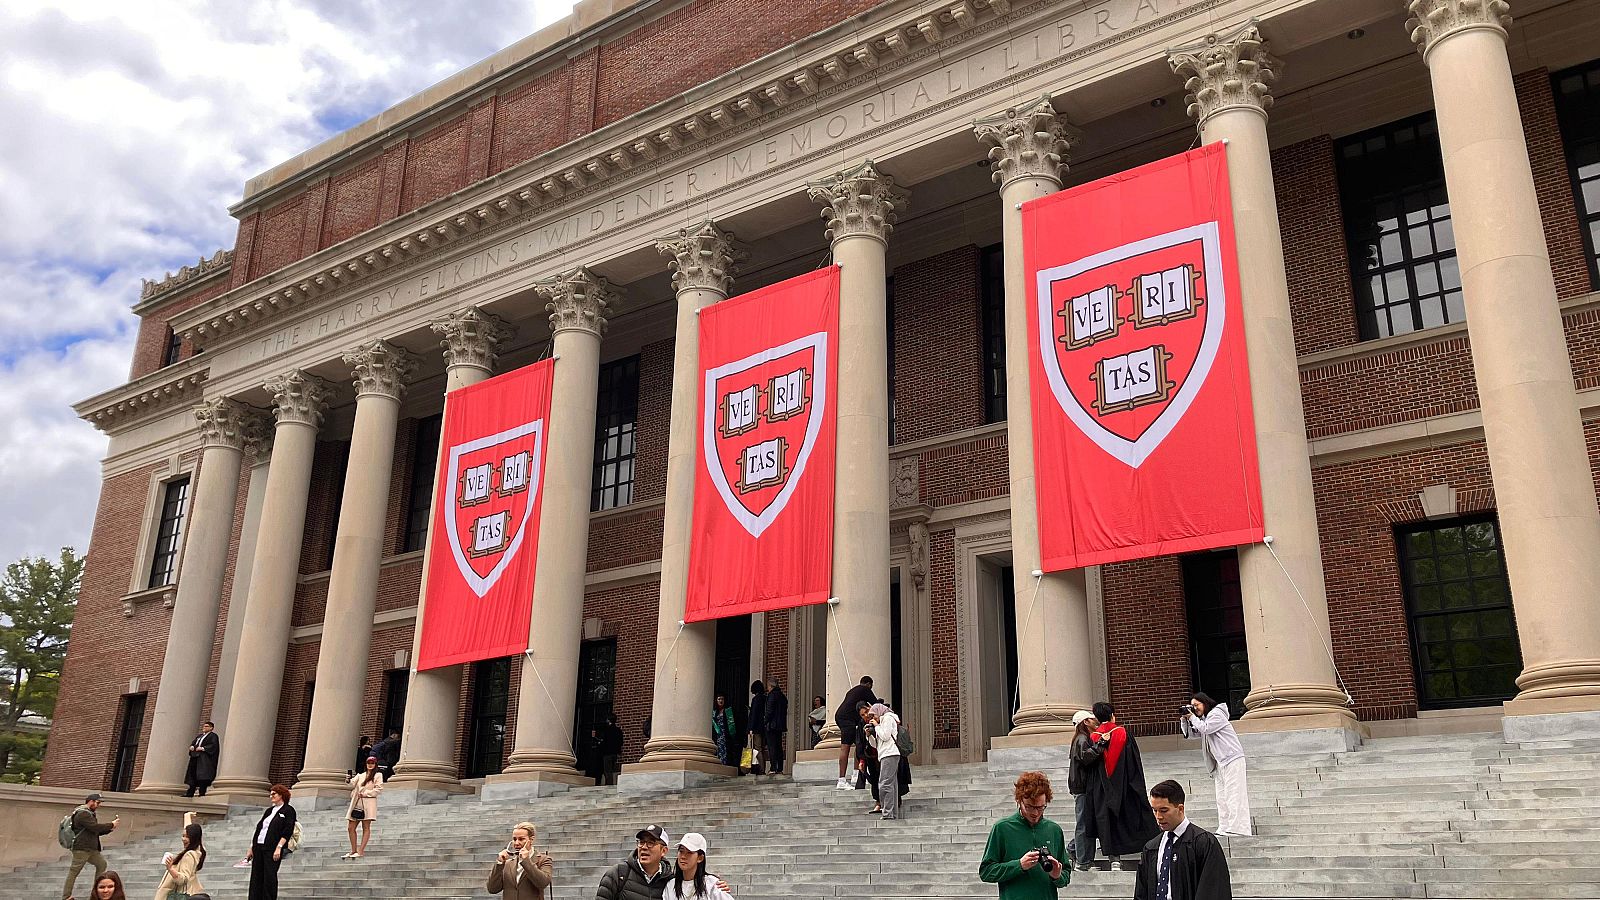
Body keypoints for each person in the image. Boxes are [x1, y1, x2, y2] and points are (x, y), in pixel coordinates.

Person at [1084, 701, 1159, 870]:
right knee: (1133, 816)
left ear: (1097, 717)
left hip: (1102, 790)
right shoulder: (1123, 733)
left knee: (1107, 821)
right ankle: (1146, 854)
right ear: (1112, 715)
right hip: (1126, 785)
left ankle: (1114, 859)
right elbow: (1134, 764)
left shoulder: (1093, 738)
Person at [1134, 780, 1233, 900]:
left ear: (1180, 808)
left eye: (1164, 810)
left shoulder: (1203, 843)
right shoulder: (1151, 847)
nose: (1158, 817)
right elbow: (1142, 892)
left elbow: (1213, 889)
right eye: (1155, 810)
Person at [978, 770, 1070, 899]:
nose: (1035, 813)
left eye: (1041, 807)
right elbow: (986, 872)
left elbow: (1066, 874)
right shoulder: (1002, 828)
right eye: (1030, 807)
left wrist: (1057, 876)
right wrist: (1019, 865)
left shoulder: (1054, 830)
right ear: (1019, 800)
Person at [1180, 692, 1252, 836]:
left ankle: (1239, 828)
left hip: (1232, 758)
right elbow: (1193, 734)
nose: (1195, 709)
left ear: (1205, 703)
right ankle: (1225, 827)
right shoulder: (1205, 719)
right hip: (1219, 762)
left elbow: (1206, 728)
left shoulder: (1217, 714)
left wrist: (1192, 717)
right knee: (1222, 797)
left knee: (1234, 794)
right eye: (1192, 706)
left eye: (1196, 705)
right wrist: (1184, 719)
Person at [596, 825, 732, 900]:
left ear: (663, 851)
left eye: (650, 843)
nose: (644, 847)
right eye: (641, 842)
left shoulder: (667, 880)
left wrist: (716, 884)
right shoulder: (618, 874)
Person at [63, 792, 118, 900]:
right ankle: (66, 896)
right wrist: (111, 824)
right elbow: (94, 827)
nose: (98, 805)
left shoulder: (89, 813)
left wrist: (110, 829)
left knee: (102, 864)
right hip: (82, 848)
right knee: (74, 872)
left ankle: (97, 893)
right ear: (91, 801)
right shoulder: (83, 813)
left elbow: (94, 831)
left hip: (91, 848)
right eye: (97, 802)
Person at [1067, 710, 1104, 870]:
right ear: (1085, 722)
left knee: (1087, 823)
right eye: (1092, 719)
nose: (1096, 721)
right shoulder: (1082, 739)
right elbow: (1086, 757)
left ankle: (1077, 853)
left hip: (1082, 787)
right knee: (1083, 823)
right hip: (1082, 788)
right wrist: (1101, 744)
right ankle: (1082, 862)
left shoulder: (1081, 739)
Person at [246, 783, 296, 900]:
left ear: (281, 795)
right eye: (270, 794)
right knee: (256, 876)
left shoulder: (288, 810)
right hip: (259, 846)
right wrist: (251, 847)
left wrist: (279, 847)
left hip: (272, 848)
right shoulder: (269, 811)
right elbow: (260, 828)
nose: (271, 796)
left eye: (274, 794)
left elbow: (287, 831)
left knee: (269, 876)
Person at [833, 675, 879, 789]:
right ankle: (841, 780)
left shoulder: (852, 691)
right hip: (847, 719)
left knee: (859, 744)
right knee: (845, 747)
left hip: (842, 716)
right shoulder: (865, 689)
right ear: (869, 684)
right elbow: (876, 705)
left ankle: (856, 774)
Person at [487, 820, 553, 900]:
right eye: (514, 839)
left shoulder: (544, 860)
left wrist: (526, 861)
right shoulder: (507, 864)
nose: (517, 843)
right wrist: (499, 864)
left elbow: (542, 883)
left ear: (531, 840)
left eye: (521, 839)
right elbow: (492, 889)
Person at [662, 833, 735, 900]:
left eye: (689, 852)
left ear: (700, 858)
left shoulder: (712, 885)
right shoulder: (670, 885)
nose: (683, 856)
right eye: (681, 851)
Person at [864, 702, 904, 820]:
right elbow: (876, 745)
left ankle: (887, 813)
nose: (873, 718)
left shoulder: (887, 718)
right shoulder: (882, 722)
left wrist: (876, 726)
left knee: (884, 784)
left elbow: (886, 736)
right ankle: (892, 813)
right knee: (891, 785)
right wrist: (869, 735)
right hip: (886, 754)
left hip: (890, 753)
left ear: (879, 711)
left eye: (874, 715)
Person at [344, 755, 384, 858]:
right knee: (350, 827)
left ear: (375, 764)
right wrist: (348, 780)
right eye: (368, 763)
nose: (370, 765)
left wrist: (366, 793)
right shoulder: (360, 775)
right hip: (357, 803)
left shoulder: (378, 775)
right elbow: (351, 784)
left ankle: (360, 850)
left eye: (372, 763)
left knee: (365, 826)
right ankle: (353, 850)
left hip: (368, 803)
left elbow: (378, 789)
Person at [154, 822, 206, 900]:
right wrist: (187, 816)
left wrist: (170, 869)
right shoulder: (197, 851)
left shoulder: (189, 855)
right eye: (183, 836)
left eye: (187, 837)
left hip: (179, 894)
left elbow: (183, 879)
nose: (183, 839)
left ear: (193, 838)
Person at [183, 721, 220, 798]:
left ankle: (202, 792)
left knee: (203, 776)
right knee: (192, 774)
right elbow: (194, 743)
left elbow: (213, 746)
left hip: (204, 759)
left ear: (211, 728)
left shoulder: (213, 736)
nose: (204, 728)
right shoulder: (199, 736)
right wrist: (192, 747)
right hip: (195, 757)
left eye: (206, 726)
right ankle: (190, 792)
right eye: (204, 726)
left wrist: (203, 748)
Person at [763, 679, 788, 775]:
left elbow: (769, 711)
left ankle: (773, 767)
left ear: (770, 686)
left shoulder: (771, 695)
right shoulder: (782, 696)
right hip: (780, 725)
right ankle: (780, 768)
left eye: (768, 686)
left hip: (772, 725)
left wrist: (765, 722)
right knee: (779, 747)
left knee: (772, 747)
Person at [745, 680, 767, 776]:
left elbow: (754, 715)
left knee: (756, 749)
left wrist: (750, 728)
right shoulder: (765, 698)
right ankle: (759, 768)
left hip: (755, 728)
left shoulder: (756, 699)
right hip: (763, 728)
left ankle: (759, 769)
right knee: (760, 748)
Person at [600, 713, 626, 785]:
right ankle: (610, 784)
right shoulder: (618, 730)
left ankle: (609, 785)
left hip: (607, 753)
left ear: (608, 720)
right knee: (611, 770)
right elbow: (621, 742)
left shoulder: (606, 730)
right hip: (615, 753)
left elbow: (604, 741)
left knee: (607, 771)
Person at [711, 695, 736, 766]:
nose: (721, 701)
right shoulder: (714, 711)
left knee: (726, 750)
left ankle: (725, 764)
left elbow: (731, 724)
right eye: (719, 699)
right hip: (717, 734)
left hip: (726, 734)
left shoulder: (727, 711)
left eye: (722, 699)